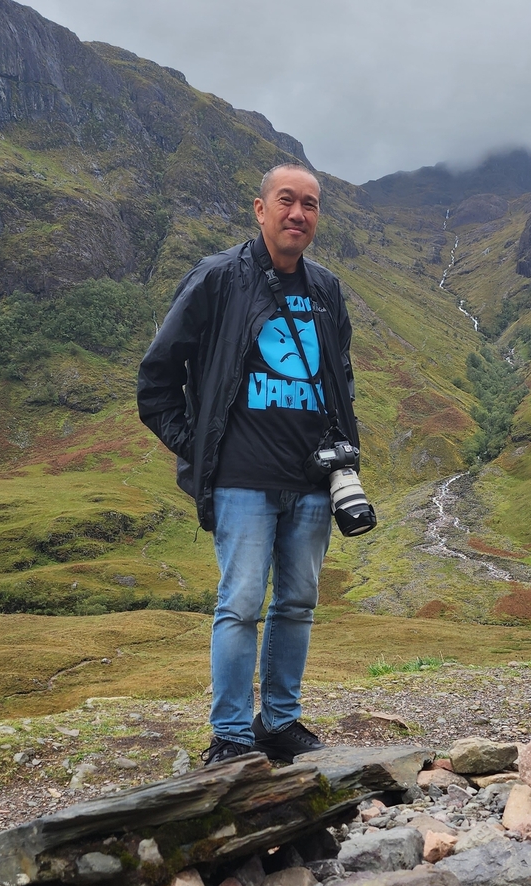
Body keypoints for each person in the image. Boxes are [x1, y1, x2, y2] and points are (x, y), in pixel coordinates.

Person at [137, 163, 360, 764]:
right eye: (286, 201)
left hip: (312, 482)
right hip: (243, 482)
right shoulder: (217, 279)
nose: (298, 214)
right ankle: (231, 736)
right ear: (260, 209)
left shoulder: (326, 289)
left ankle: (280, 722)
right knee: (240, 606)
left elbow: (339, 376)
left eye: (309, 204)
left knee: (296, 604)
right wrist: (202, 447)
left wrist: (340, 451)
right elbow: (156, 379)